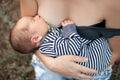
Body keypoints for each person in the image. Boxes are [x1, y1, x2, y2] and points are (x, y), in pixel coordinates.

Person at [19, 0, 120, 80]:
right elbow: (28, 40)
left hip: (89, 71)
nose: (36, 17)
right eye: (34, 19)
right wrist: (50, 63)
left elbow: (115, 52)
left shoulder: (112, 3)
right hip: (48, 66)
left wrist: (91, 68)